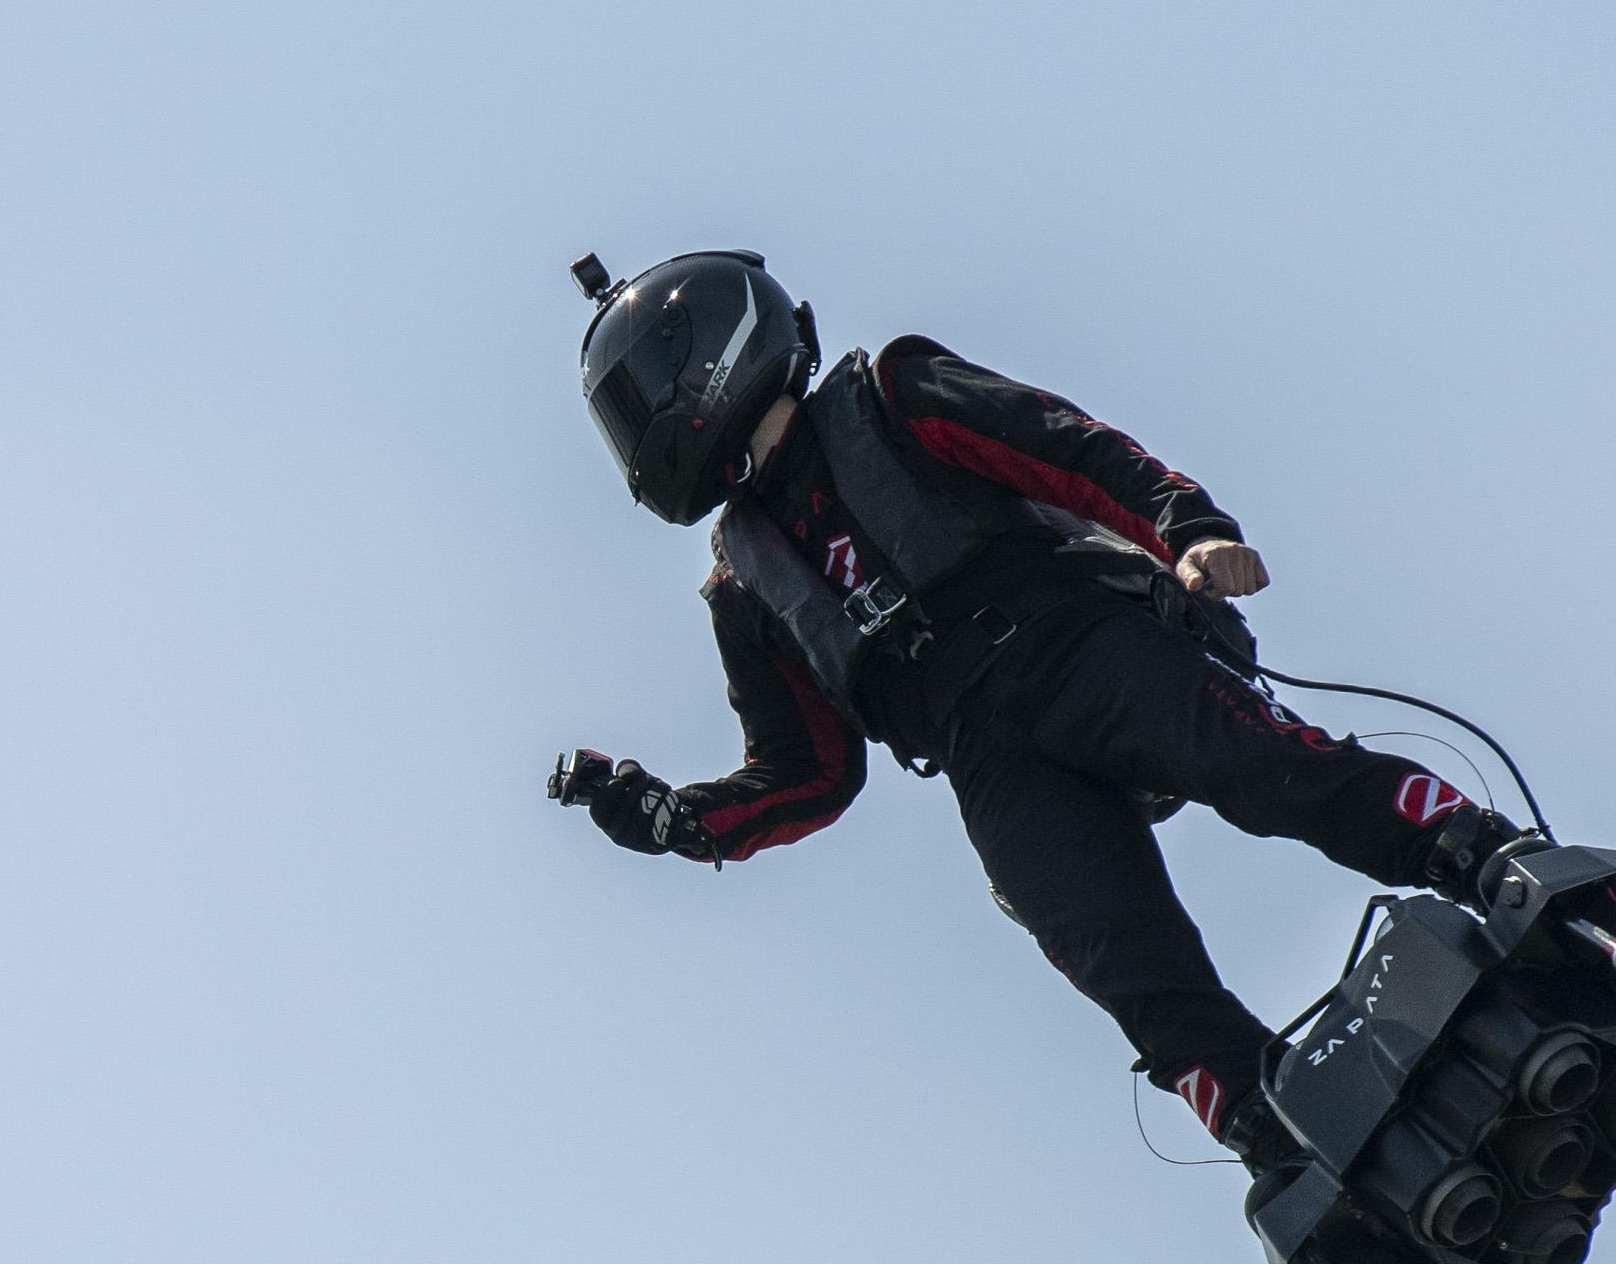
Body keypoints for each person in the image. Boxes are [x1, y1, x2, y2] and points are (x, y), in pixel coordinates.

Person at [545, 247, 1522, 1183]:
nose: (640, 434)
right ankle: (1286, 1145)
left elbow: (1070, 452)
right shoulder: (742, 588)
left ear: (704, 356)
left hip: (1071, 642)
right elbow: (807, 772)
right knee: (1118, 959)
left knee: (1269, 772)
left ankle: (1484, 859)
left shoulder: (890, 394)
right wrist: (681, 822)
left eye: (637, 403)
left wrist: (1190, 531)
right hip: (982, 758)